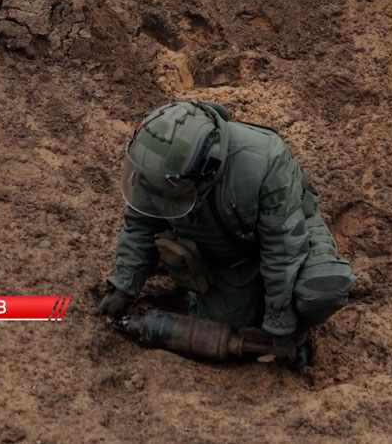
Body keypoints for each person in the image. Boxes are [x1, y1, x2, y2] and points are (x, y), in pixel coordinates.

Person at [97, 100, 356, 369]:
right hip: (224, 254)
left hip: (289, 236)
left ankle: (295, 332)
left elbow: (283, 250)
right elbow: (140, 223)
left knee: (321, 289)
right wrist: (124, 287)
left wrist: (282, 328)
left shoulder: (264, 160)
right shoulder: (159, 164)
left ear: (206, 171)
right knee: (222, 329)